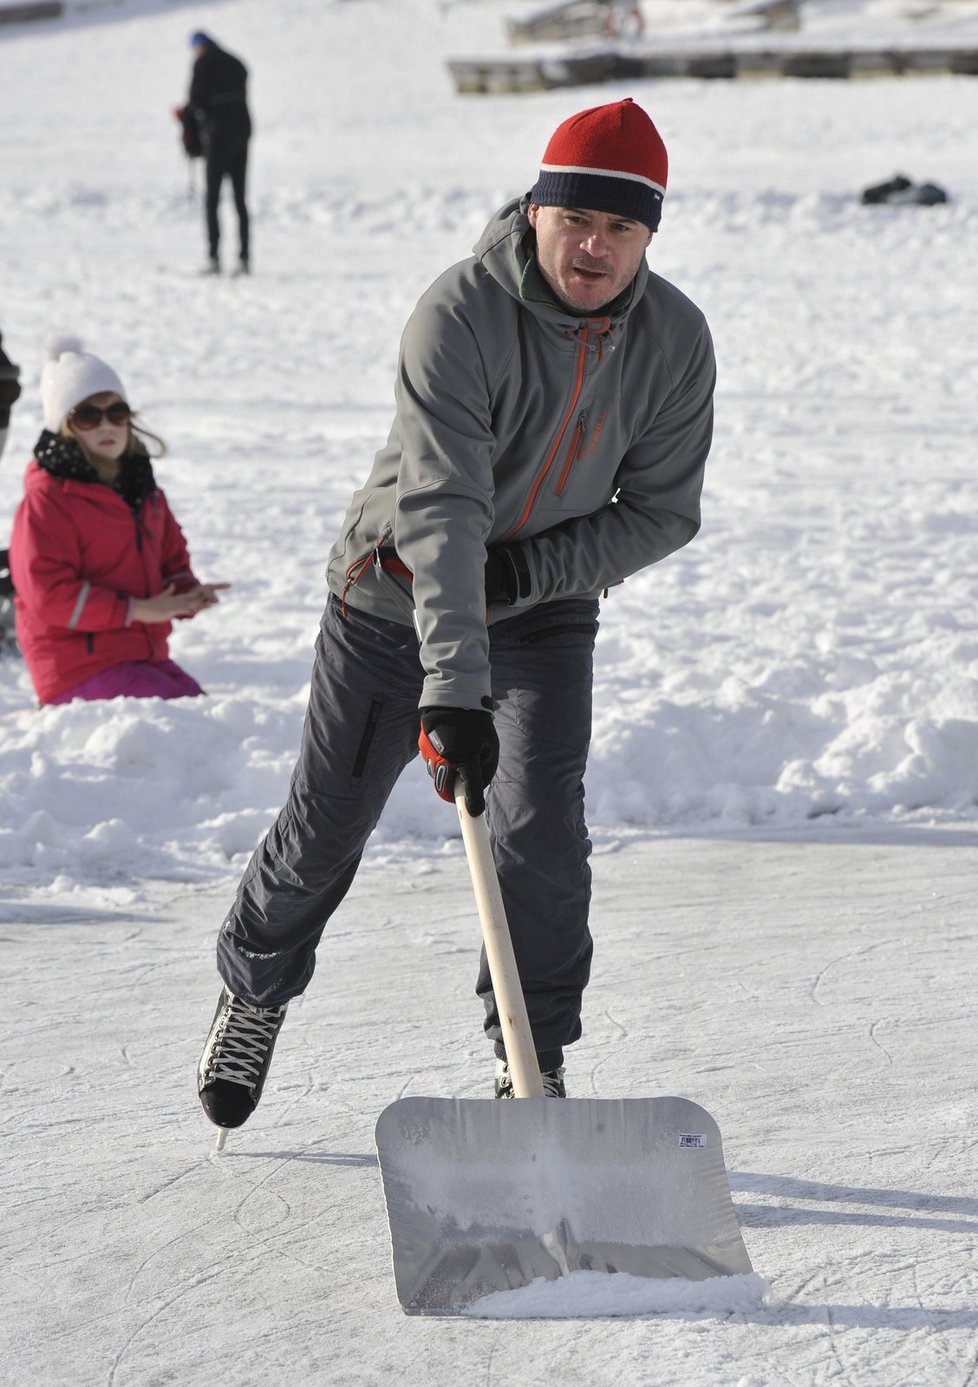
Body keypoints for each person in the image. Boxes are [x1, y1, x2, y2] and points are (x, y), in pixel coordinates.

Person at [197, 98, 715, 1129]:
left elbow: (663, 512)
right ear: (538, 212)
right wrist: (452, 688)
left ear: (650, 233)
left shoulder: (675, 341)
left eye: (620, 227)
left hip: (542, 607)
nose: (594, 246)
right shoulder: (460, 314)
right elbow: (441, 511)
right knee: (324, 830)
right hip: (395, 596)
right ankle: (253, 992)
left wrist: (526, 581)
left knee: (541, 835)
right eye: (577, 220)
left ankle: (533, 1052)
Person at [9, 337, 229, 705]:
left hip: (140, 654)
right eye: (88, 416)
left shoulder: (144, 491)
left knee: (203, 712)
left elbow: (171, 559)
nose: (106, 425)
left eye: (117, 413)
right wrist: (139, 609)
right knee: (191, 720)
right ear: (66, 427)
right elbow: (48, 594)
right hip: (75, 668)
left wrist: (185, 593)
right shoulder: (49, 499)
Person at [187, 31, 252, 276]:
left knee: (212, 198)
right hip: (243, 132)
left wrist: (194, 131)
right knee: (240, 199)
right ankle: (245, 258)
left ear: (198, 47)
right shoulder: (236, 61)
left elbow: (195, 101)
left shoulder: (202, 62)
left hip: (217, 137)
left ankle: (213, 258)